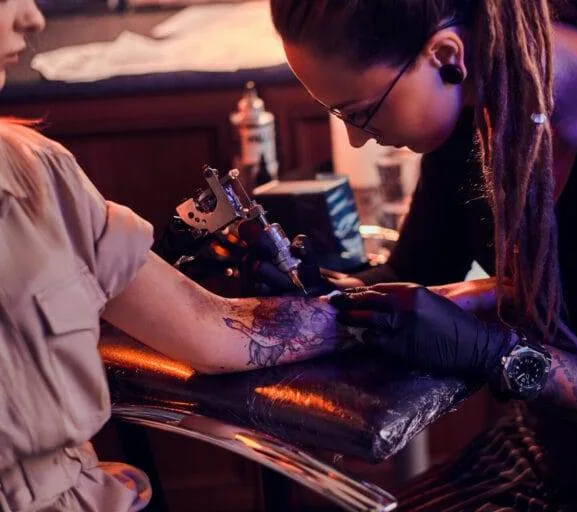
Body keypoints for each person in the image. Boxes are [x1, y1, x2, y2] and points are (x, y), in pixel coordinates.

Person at [268, 0, 577, 510]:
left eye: (360, 112)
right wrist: (307, 289)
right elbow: (416, 272)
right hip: (552, 451)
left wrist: (493, 353)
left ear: (446, 55)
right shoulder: (475, 98)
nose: (354, 139)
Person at [0, 2, 361, 510]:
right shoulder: (30, 170)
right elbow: (215, 333)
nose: (32, 18)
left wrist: (365, 311)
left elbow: (213, 328)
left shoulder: (33, 173)